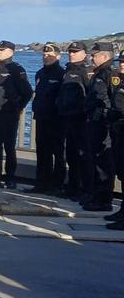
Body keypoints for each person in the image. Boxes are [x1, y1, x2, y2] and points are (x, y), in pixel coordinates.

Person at [0, 41, 32, 190]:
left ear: (11, 52)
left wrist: (18, 107)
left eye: (2, 50)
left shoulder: (16, 69)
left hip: (9, 114)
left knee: (9, 146)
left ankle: (10, 178)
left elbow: (27, 92)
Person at [83, 42, 117, 212]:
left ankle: (104, 200)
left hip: (103, 125)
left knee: (104, 163)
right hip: (94, 123)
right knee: (94, 160)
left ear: (104, 56)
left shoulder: (109, 74)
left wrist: (105, 118)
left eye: (94, 55)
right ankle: (95, 196)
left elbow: (112, 100)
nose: (91, 58)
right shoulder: (98, 73)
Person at [58, 42, 92, 200]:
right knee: (70, 154)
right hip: (66, 118)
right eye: (70, 51)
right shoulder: (67, 70)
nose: (72, 54)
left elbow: (90, 95)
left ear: (84, 53)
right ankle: (72, 187)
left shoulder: (86, 71)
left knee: (82, 155)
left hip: (80, 120)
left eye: (75, 52)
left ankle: (83, 189)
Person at [30, 43, 66, 195]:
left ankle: (57, 185)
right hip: (42, 117)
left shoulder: (62, 74)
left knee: (57, 153)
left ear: (58, 56)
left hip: (56, 119)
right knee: (42, 151)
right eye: (44, 55)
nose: (46, 57)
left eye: (49, 55)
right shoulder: (40, 73)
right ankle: (41, 183)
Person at [105, 53, 124, 230]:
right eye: (121, 62)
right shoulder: (119, 81)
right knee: (121, 171)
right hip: (118, 130)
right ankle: (122, 212)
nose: (122, 65)